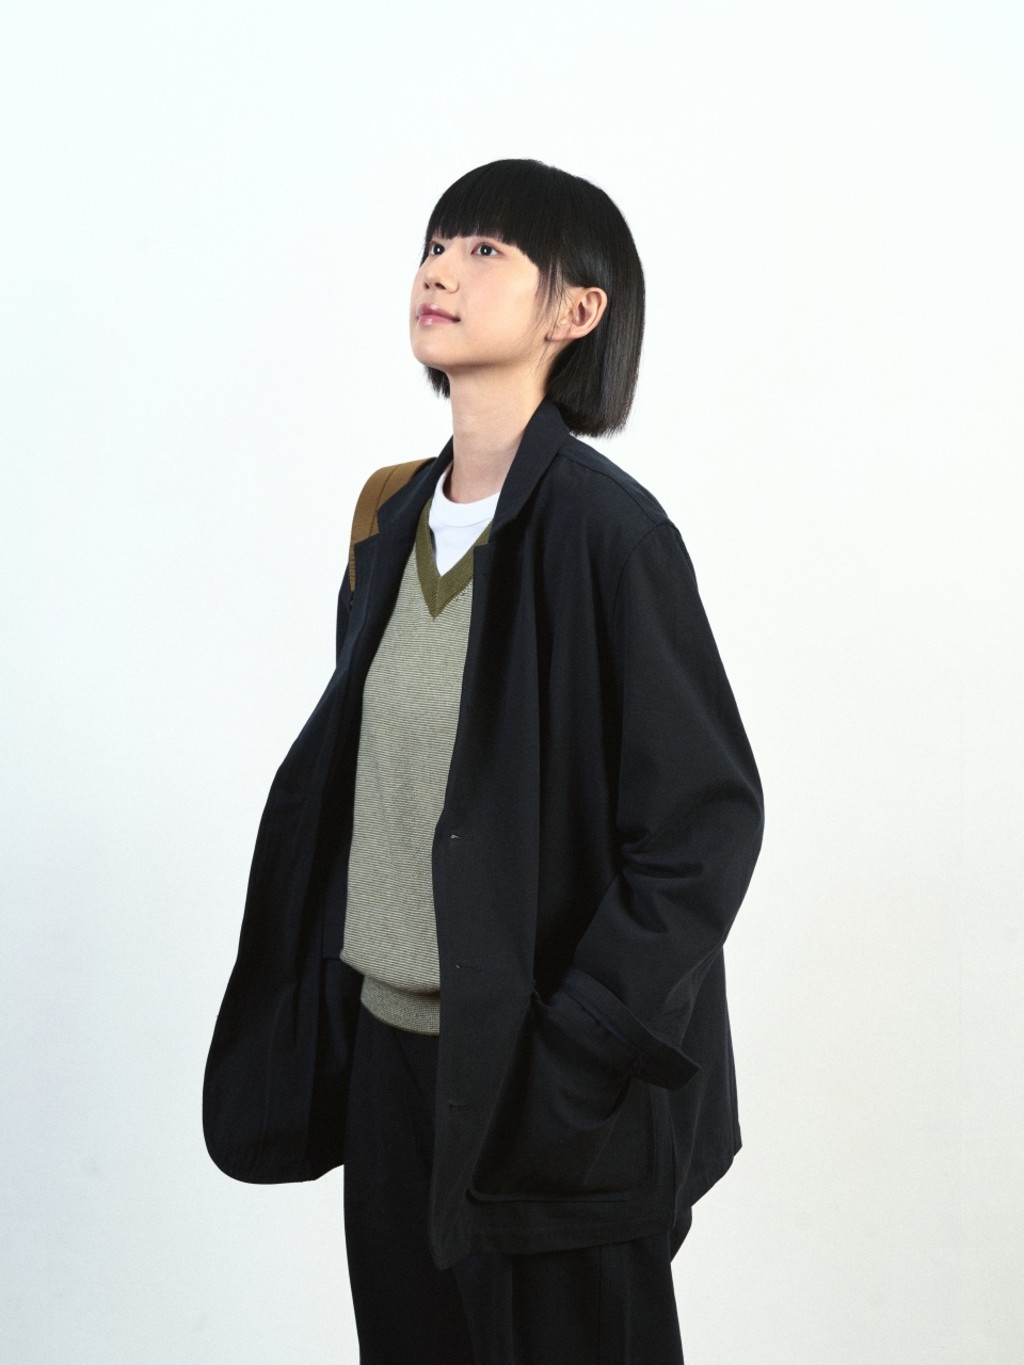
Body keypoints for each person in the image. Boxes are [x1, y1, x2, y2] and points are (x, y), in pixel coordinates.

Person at [203, 157, 764, 1364]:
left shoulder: (611, 537)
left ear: (576, 311)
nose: (440, 269)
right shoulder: (388, 520)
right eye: (437, 242)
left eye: (487, 250)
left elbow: (701, 829)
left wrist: (575, 1054)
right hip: (391, 1070)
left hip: (545, 1086)